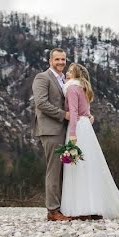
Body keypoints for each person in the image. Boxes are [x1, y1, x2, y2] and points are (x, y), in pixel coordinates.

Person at [60, 63, 119, 219]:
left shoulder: (72, 88)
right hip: (86, 128)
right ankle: (93, 206)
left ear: (75, 75)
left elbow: (73, 112)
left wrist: (72, 134)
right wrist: (88, 118)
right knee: (89, 166)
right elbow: (86, 111)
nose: (67, 73)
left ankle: (80, 208)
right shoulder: (83, 88)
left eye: (70, 71)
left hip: (78, 128)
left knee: (76, 167)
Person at [31, 48, 71, 221]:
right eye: (57, 60)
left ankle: (63, 207)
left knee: (65, 169)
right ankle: (52, 211)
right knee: (54, 170)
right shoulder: (42, 77)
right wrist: (64, 115)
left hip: (64, 130)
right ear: (50, 61)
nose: (61, 62)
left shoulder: (64, 79)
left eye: (63, 59)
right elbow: (41, 103)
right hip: (50, 130)